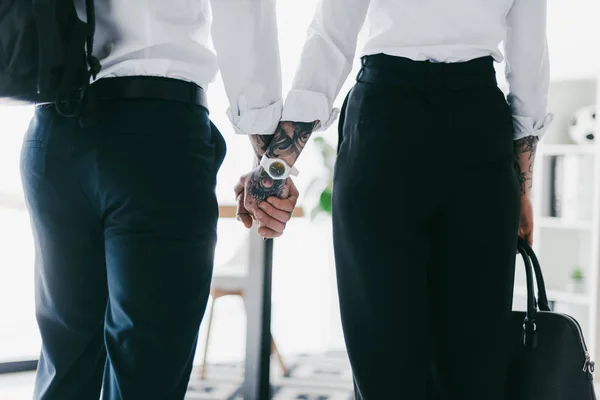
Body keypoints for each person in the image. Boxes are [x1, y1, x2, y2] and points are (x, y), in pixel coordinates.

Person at [236, 0, 551, 398]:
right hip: (478, 133)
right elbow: (529, 57)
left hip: (384, 125)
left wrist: (276, 165)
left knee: (384, 359)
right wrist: (523, 188)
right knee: (473, 362)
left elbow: (331, 38)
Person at [19, 1, 294, 398]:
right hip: (157, 137)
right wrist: (271, 160)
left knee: (65, 360)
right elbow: (242, 13)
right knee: (146, 371)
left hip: (53, 136)